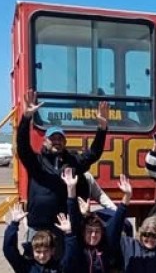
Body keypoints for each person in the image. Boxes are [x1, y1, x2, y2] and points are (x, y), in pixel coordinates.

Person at [17, 90, 108, 236]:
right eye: (53, 138)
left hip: (64, 226)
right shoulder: (36, 162)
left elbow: (93, 153)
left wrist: (102, 129)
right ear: (45, 141)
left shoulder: (73, 161)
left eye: (60, 139)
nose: (57, 142)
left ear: (65, 142)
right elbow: (22, 146)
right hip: (38, 226)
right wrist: (26, 117)